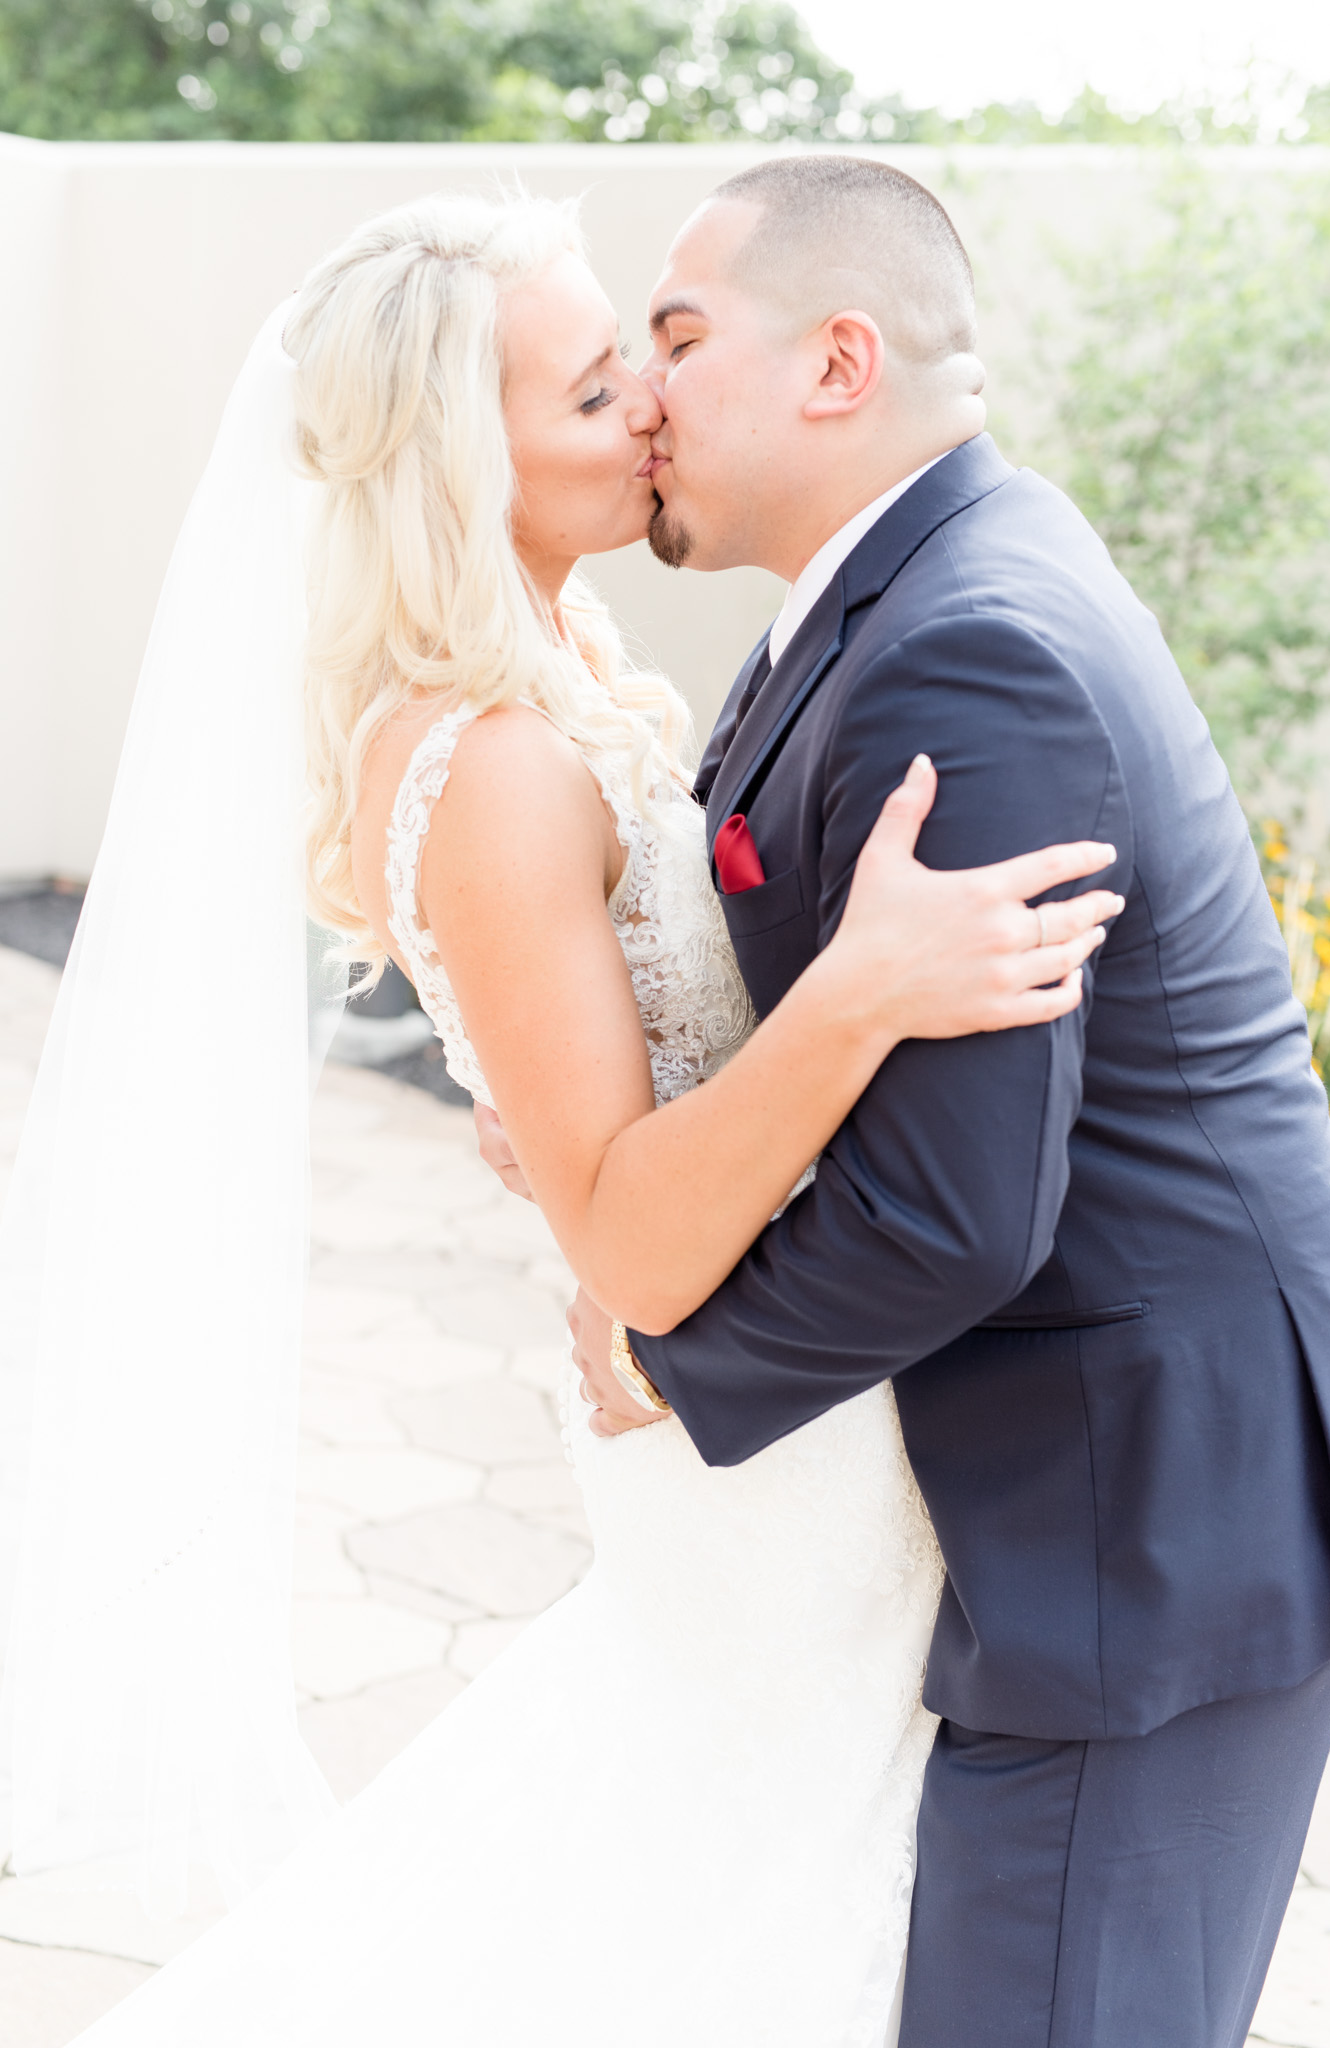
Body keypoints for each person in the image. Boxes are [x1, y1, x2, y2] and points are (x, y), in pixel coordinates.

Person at [3, 189, 1117, 2047]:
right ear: (462, 456)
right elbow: (632, 1231)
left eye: (643, 366)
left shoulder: (575, 662)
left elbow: (620, 1095)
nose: (655, 412)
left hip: (801, 1406)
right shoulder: (490, 763)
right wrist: (856, 997)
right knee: (745, 1910)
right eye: (601, 391)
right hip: (759, 1454)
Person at [557, 154, 1330, 2048]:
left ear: (840, 362)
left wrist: (673, 1358)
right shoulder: (884, 593)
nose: (644, 386)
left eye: (679, 335)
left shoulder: (964, 646)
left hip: (1147, 1514)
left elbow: (956, 1205)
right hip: (1094, 1476)